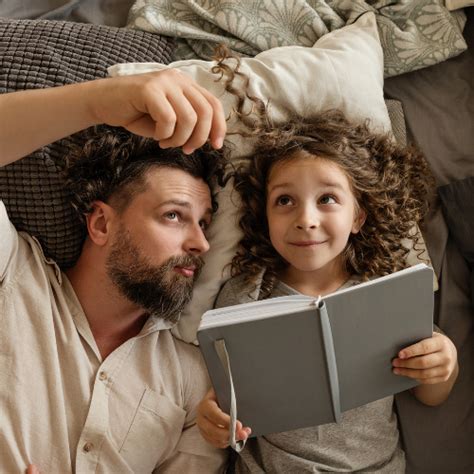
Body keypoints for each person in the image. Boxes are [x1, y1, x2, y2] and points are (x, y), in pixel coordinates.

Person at [196, 111, 459, 472]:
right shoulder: (246, 295)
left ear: (358, 217)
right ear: (265, 216)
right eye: (285, 201)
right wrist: (214, 418)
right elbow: (227, 396)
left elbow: (430, 395)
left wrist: (444, 363)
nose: (306, 218)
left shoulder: (385, 293)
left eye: (327, 199)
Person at [0, 70, 230, 472]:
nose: (201, 244)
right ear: (102, 224)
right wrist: (99, 101)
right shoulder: (12, 274)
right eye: (174, 215)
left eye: (204, 223)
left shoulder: (195, 384)